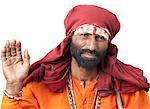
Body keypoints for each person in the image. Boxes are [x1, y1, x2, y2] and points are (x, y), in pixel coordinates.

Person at [1, 5, 150, 109]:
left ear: (108, 45)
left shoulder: (129, 90)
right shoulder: (39, 87)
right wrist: (13, 86)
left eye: (100, 38)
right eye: (84, 35)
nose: (91, 46)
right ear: (69, 40)